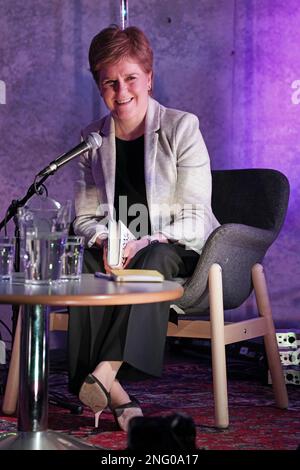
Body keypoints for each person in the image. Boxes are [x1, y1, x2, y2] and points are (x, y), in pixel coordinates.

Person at [68, 24, 219, 432]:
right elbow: (83, 218)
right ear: (99, 85)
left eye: (131, 78)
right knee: (80, 261)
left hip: (175, 248)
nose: (121, 92)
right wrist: (102, 240)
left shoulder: (181, 127)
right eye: (109, 82)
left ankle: (106, 370)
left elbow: (194, 214)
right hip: (116, 254)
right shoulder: (92, 140)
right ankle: (114, 391)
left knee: (152, 258)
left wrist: (144, 242)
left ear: (149, 78)